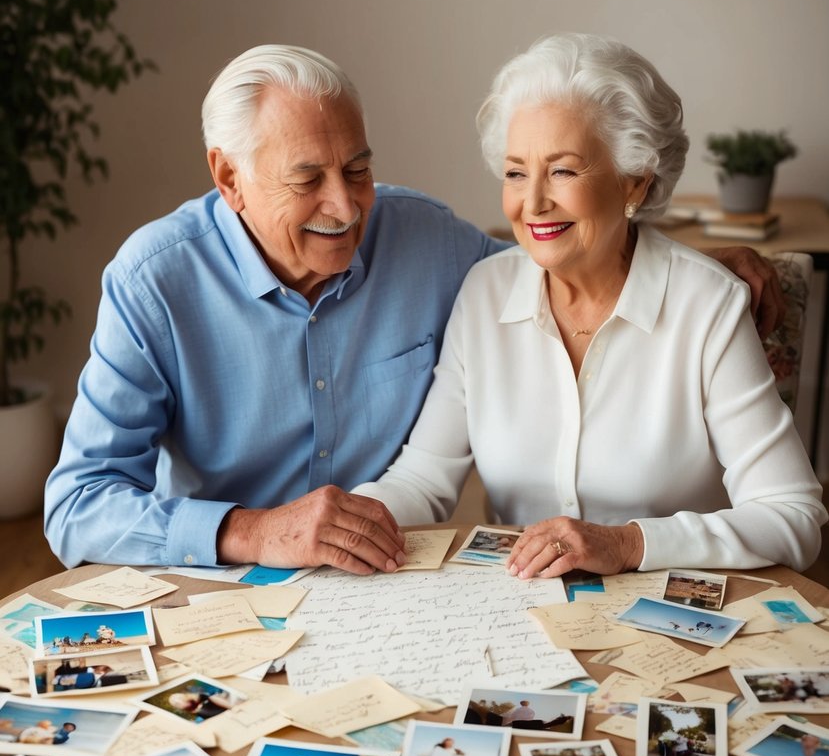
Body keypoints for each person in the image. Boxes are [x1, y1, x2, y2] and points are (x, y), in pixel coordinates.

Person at [45, 42, 788, 573]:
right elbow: (77, 504)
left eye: (359, 168)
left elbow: (565, 255)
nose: (344, 206)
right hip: (221, 578)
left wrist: (688, 269)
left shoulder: (434, 246)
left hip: (395, 578)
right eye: (307, 179)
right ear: (228, 178)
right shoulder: (154, 280)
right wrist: (257, 532)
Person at [352, 33, 825, 577]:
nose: (532, 203)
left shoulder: (707, 305)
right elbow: (423, 478)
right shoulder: (484, 292)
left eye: (563, 170)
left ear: (635, 184)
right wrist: (352, 523)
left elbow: (792, 515)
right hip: (520, 612)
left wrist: (626, 545)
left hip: (670, 614)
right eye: (515, 172)